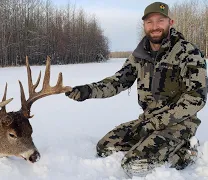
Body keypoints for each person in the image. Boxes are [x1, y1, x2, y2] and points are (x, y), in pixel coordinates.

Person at [65, 1, 207, 177]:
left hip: (178, 123)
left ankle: (185, 151)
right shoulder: (140, 55)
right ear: (144, 25)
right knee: (105, 147)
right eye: (149, 22)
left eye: (160, 21)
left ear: (170, 22)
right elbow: (118, 81)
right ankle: (151, 146)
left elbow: (197, 97)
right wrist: (88, 90)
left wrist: (158, 122)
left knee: (134, 165)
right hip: (148, 121)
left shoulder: (188, 53)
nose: (155, 26)